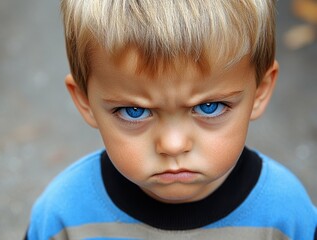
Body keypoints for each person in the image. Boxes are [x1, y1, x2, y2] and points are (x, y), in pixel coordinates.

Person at [25, 0, 317, 239]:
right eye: (134, 111)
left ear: (260, 92)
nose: (173, 145)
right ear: (85, 101)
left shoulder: (285, 215)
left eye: (210, 107)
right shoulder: (63, 216)